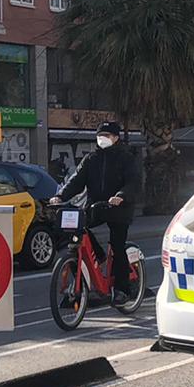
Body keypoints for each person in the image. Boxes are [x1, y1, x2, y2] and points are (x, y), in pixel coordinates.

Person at [50, 121, 142, 304]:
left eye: (107, 135)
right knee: (78, 231)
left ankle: (122, 289)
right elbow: (76, 180)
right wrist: (60, 196)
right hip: (95, 206)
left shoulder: (126, 158)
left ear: (116, 138)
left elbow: (133, 182)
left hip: (119, 208)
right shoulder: (91, 159)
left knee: (117, 245)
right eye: (100, 135)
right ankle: (97, 257)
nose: (103, 139)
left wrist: (121, 195)